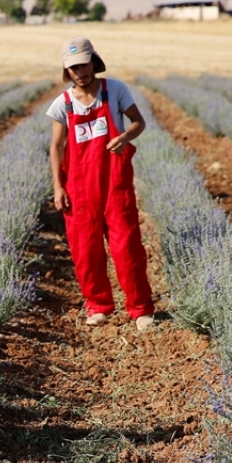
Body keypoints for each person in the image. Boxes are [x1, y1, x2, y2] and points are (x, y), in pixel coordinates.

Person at [47, 37, 155, 331]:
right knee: (85, 250)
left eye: (84, 64)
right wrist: (58, 187)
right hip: (79, 190)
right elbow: (56, 148)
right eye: (73, 68)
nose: (80, 72)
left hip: (114, 186)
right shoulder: (63, 104)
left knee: (127, 247)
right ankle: (98, 305)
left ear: (94, 61)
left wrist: (124, 137)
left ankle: (140, 308)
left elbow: (138, 122)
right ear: (67, 71)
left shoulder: (115, 90)